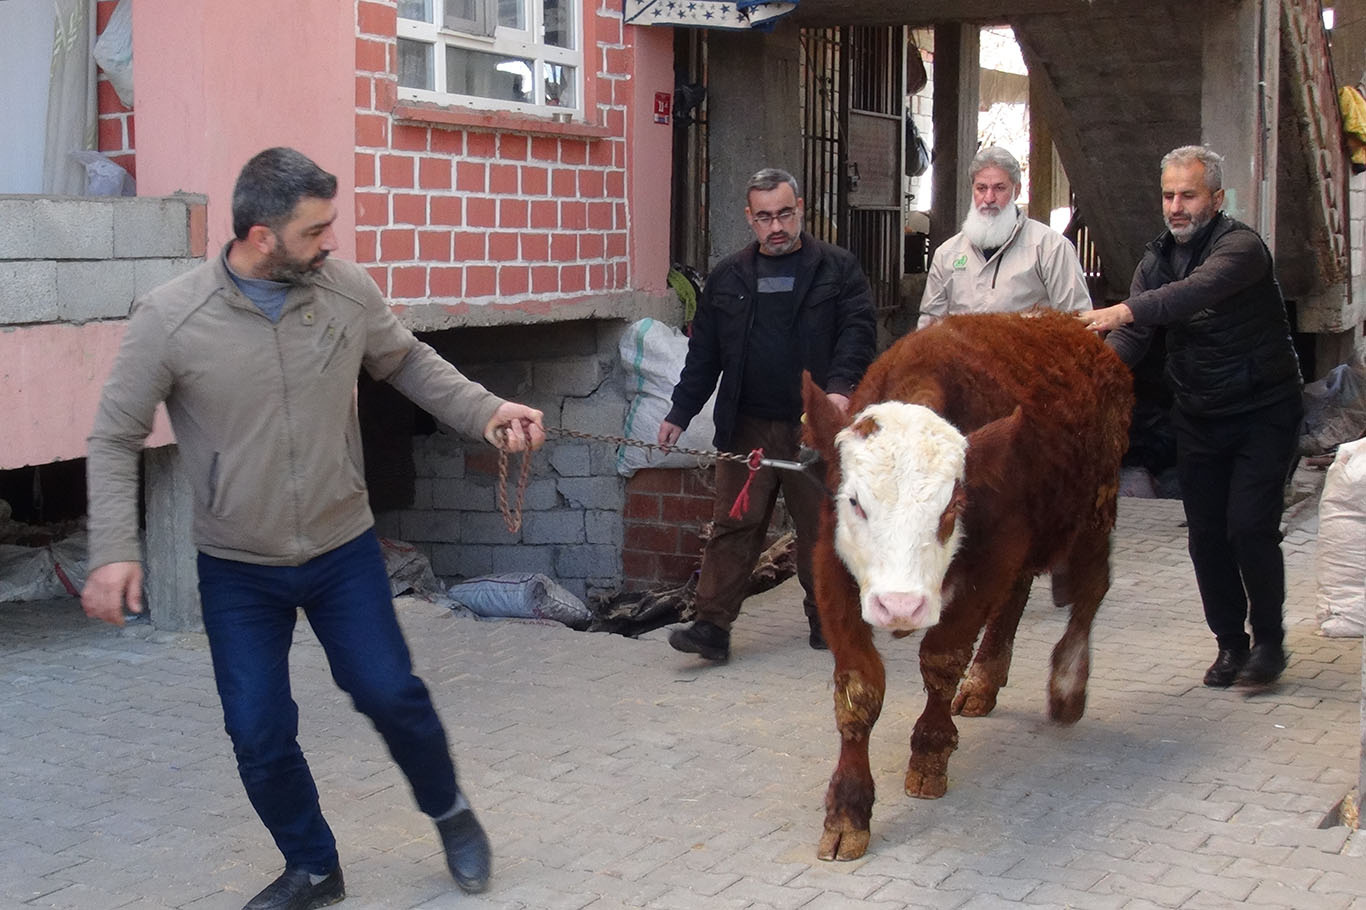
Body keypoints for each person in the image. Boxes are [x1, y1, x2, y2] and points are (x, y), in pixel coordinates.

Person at [82, 147, 546, 910]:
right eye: (315, 229)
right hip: (237, 567)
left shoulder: (344, 291)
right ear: (262, 235)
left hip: (341, 549)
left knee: (390, 693)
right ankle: (313, 865)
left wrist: (487, 412)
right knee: (258, 733)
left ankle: (452, 815)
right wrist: (112, 553)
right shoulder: (171, 316)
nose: (330, 241)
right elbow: (112, 435)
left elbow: (409, 363)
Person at [1079, 145, 1302, 689]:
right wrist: (1087, 378)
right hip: (1199, 414)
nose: (1176, 206)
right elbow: (1133, 337)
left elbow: (1188, 295)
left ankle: (1269, 642)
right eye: (1168, 195)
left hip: (1263, 410)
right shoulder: (1155, 259)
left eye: (1188, 194)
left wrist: (1127, 308)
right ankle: (1230, 644)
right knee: (1205, 535)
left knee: (1248, 527)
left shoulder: (1241, 248)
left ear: (1217, 199)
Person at [658, 167, 877, 662]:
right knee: (734, 525)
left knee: (822, 527)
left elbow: (858, 334)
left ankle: (830, 618)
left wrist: (839, 393)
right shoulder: (728, 276)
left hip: (814, 427)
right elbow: (704, 354)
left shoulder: (838, 270)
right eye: (764, 218)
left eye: (784, 214)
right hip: (746, 425)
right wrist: (679, 411)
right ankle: (711, 627)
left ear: (800, 209)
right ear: (749, 220)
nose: (775, 227)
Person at [918, 146, 1092, 329]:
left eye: (999, 188)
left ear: (1016, 190)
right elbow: (929, 325)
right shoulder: (947, 253)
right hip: (962, 357)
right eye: (981, 188)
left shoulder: (1051, 248)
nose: (989, 198)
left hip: (1026, 356)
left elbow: (1078, 321)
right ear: (972, 190)